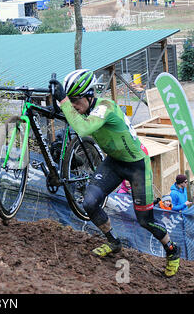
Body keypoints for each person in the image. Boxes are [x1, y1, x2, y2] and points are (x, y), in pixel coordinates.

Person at [49, 69, 181, 277]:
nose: (73, 105)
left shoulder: (106, 107)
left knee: (145, 220)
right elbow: (72, 115)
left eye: (76, 100)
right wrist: (60, 104)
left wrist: (64, 101)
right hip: (113, 162)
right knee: (90, 202)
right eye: (71, 100)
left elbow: (82, 129)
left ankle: (172, 250)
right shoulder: (86, 107)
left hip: (137, 165)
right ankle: (113, 242)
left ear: (89, 96)